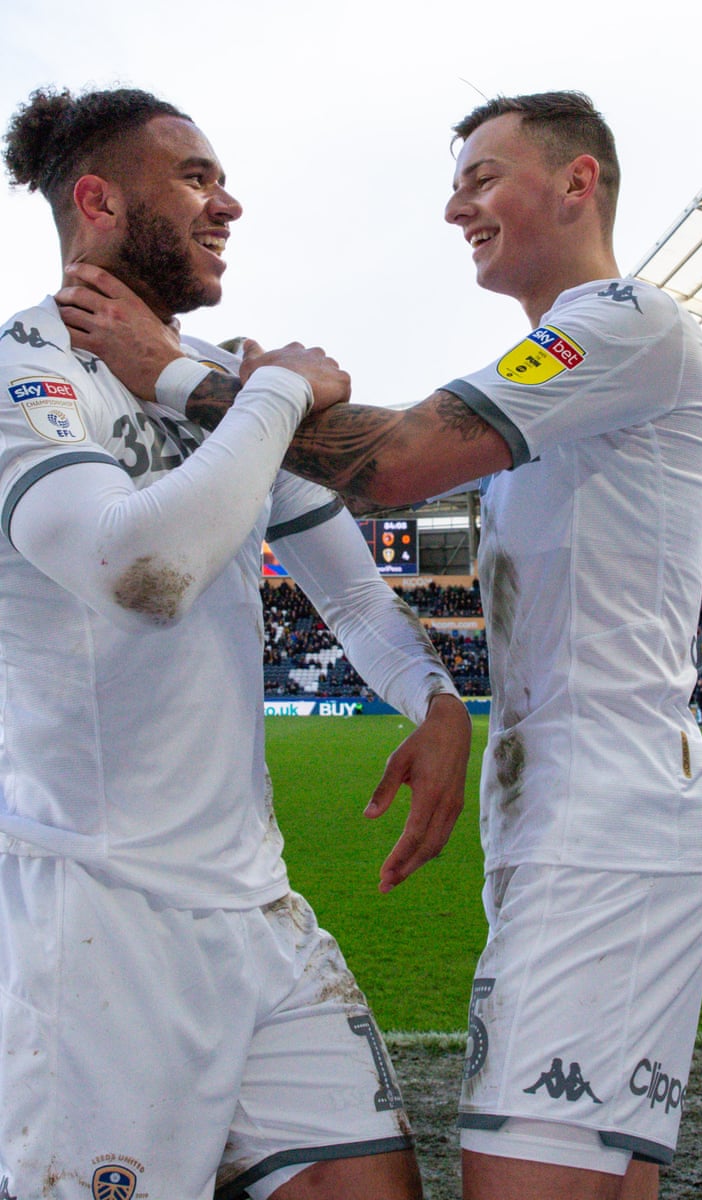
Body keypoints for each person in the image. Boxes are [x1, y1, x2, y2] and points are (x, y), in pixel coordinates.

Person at [61, 91, 702, 1200]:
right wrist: (439, 700)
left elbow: (399, 462)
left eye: (482, 178)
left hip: (610, 831)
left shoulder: (627, 323)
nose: (456, 208)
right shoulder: (570, 361)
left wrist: (181, 372)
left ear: (578, 181)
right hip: (580, 823)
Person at [0, 87, 473, 1200]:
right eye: (196, 178)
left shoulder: (214, 382)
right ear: (99, 201)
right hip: (100, 917)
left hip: (260, 908)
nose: (229, 204)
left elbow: (352, 594)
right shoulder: (28, 369)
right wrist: (279, 392)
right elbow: (141, 573)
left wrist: (437, 700)